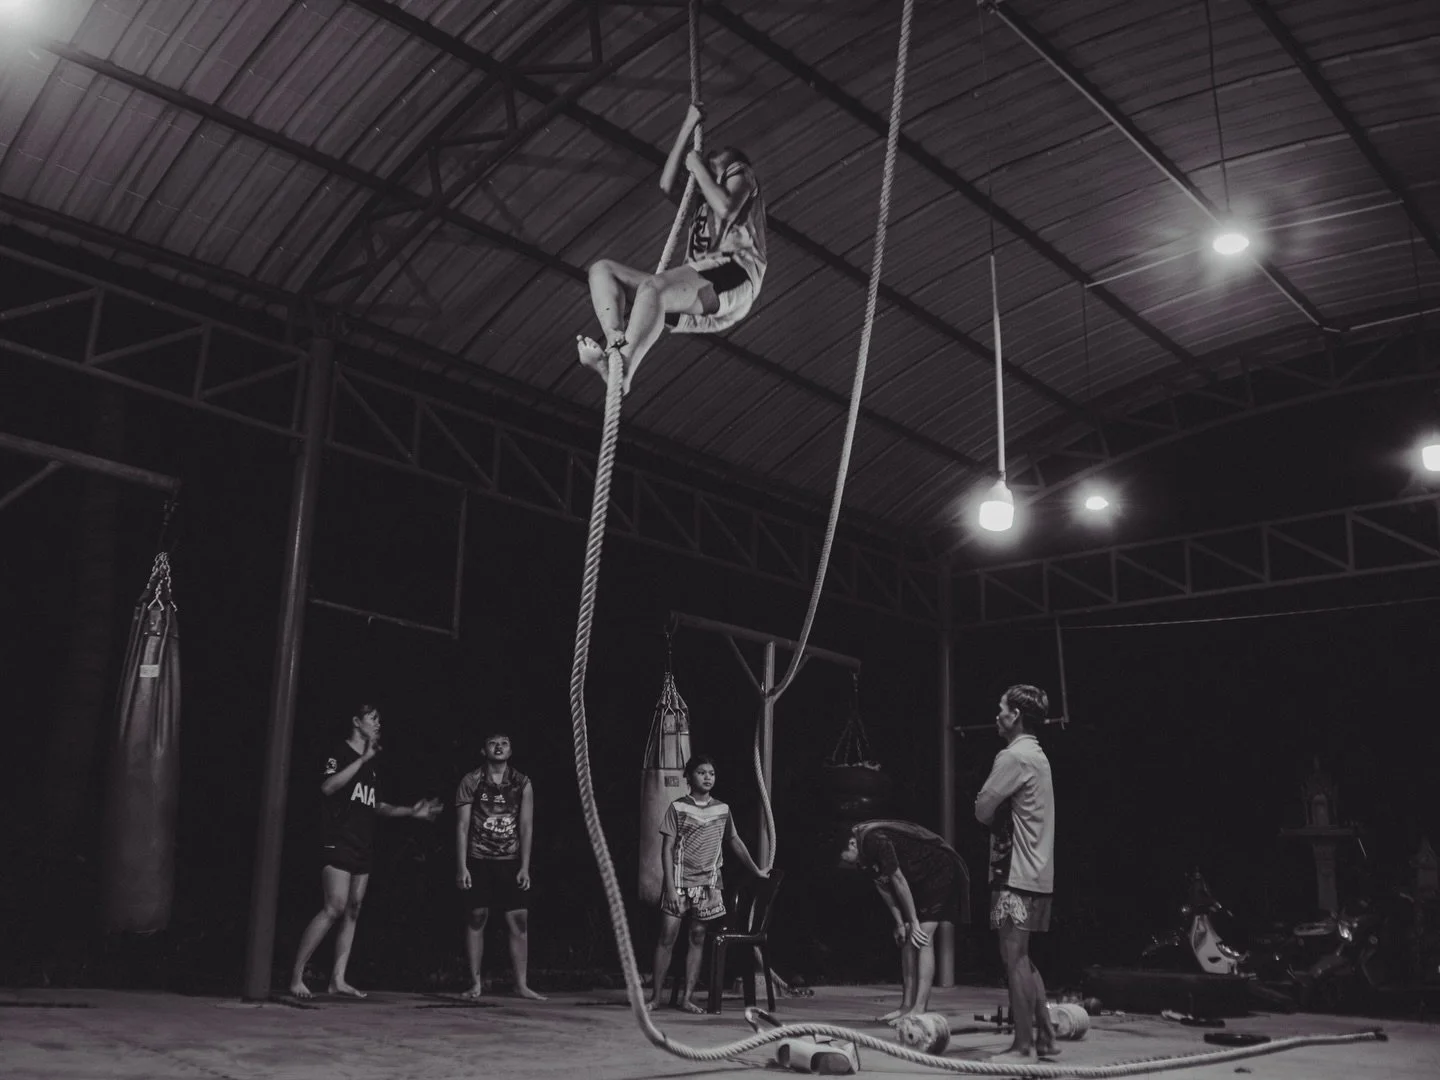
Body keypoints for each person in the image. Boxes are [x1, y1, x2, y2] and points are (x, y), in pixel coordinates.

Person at [578, 102, 767, 396]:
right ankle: (615, 344)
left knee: (654, 288)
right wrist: (687, 128)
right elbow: (667, 185)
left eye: (714, 167)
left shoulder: (741, 174)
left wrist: (698, 166)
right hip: (700, 295)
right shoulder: (701, 205)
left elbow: (728, 209)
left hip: (735, 276)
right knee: (602, 271)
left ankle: (623, 372)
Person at [288, 704, 443, 999]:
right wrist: (362, 760)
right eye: (373, 719)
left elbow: (378, 806)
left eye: (379, 720)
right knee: (334, 906)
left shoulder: (371, 766)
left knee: (353, 909)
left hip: (363, 844)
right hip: (338, 839)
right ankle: (296, 976)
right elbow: (328, 787)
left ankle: (338, 980)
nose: (378, 724)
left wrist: (412, 812)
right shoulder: (340, 753)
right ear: (357, 722)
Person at [974, 684, 1058, 1062]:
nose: (997, 715)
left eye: (1001, 708)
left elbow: (982, 806)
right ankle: (1047, 1037)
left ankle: (1024, 1045)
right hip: (1037, 870)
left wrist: (993, 816)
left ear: (1016, 716)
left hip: (1015, 873)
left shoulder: (1014, 757)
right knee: (1024, 957)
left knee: (1013, 958)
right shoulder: (1038, 756)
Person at [648, 754, 768, 1013]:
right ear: (689, 777)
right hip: (679, 882)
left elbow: (735, 841)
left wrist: (756, 869)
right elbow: (666, 849)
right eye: (701, 772)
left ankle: (686, 998)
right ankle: (656, 998)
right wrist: (669, 887)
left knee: (697, 937)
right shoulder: (678, 807)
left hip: (708, 884)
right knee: (666, 937)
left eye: (711, 773)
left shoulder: (722, 809)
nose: (707, 777)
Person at [840, 820, 970, 1024]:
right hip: (916, 878)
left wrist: (914, 921)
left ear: (851, 844)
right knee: (907, 937)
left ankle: (919, 1009)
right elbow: (884, 887)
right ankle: (906, 1007)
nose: (853, 866)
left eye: (849, 860)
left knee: (923, 936)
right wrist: (901, 923)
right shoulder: (863, 856)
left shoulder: (873, 840)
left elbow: (898, 879)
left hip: (939, 869)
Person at [455, 731, 546, 1001]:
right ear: (484, 750)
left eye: (505, 742)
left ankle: (521, 984)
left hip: (510, 860)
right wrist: (462, 867)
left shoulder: (522, 782)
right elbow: (461, 826)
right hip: (479, 858)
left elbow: (527, 826)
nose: (499, 747)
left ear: (511, 749)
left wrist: (525, 866)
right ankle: (475, 983)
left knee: (519, 919)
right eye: (493, 743)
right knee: (477, 917)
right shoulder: (471, 781)